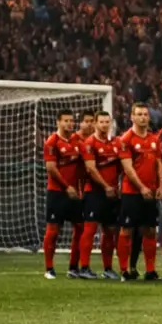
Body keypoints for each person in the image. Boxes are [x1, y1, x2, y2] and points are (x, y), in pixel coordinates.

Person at [115, 102, 162, 281]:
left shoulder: (154, 139)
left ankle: (150, 270)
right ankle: (124, 270)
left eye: (145, 114)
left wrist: (160, 186)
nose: (143, 117)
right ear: (132, 117)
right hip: (131, 193)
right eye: (139, 114)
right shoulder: (125, 139)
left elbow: (158, 163)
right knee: (126, 230)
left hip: (151, 192)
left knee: (150, 230)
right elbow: (128, 168)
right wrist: (142, 187)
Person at [76, 111, 123, 280]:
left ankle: (108, 268)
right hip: (94, 192)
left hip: (111, 194)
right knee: (89, 229)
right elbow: (90, 169)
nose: (104, 125)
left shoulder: (116, 144)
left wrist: (116, 186)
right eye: (101, 122)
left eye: (107, 122)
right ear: (95, 124)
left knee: (109, 231)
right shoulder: (89, 143)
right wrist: (105, 186)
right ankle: (84, 267)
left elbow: (121, 167)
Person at [41, 112, 85, 279]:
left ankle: (73, 267)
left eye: (71, 121)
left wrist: (79, 188)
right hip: (57, 192)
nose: (69, 124)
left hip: (74, 193)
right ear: (58, 122)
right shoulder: (52, 141)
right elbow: (51, 168)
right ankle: (49, 268)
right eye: (66, 121)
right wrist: (67, 187)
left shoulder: (77, 141)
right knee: (53, 230)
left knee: (80, 228)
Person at [65, 112, 98, 275]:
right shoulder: (75, 140)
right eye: (87, 121)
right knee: (80, 229)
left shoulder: (94, 140)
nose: (90, 124)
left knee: (82, 229)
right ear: (80, 123)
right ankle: (75, 266)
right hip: (76, 190)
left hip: (89, 190)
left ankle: (75, 266)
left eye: (92, 121)